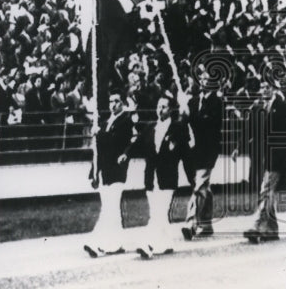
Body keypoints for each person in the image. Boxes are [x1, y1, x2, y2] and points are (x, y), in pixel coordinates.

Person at [243, 82, 286, 243]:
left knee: (266, 190)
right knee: (269, 192)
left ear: (274, 89)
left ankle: (256, 225)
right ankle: (271, 230)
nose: (264, 90)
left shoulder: (283, 106)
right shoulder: (260, 108)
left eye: (268, 87)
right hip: (264, 155)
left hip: (278, 155)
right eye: (262, 87)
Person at [137, 92, 193, 259]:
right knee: (156, 211)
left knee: (159, 212)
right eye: (158, 106)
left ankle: (148, 244)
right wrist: (125, 154)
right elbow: (137, 145)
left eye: (164, 107)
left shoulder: (178, 128)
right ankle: (167, 242)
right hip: (151, 177)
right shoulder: (149, 127)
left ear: (170, 110)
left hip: (167, 177)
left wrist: (192, 177)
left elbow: (185, 153)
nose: (160, 109)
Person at [84, 92, 140, 257]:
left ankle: (97, 241)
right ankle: (116, 243)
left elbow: (115, 141)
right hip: (105, 171)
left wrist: (99, 133)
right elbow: (99, 151)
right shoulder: (106, 121)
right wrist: (94, 172)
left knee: (109, 207)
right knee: (111, 208)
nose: (112, 105)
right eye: (110, 102)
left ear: (122, 103)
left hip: (117, 170)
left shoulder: (125, 121)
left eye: (116, 101)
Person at [182, 77, 225, 240]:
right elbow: (185, 122)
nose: (203, 81)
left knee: (199, 183)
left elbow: (210, 123)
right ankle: (206, 223)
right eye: (202, 78)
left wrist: (190, 117)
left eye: (207, 79)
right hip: (194, 149)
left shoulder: (217, 102)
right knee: (202, 186)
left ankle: (191, 223)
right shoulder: (193, 101)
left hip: (208, 150)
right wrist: (183, 112)